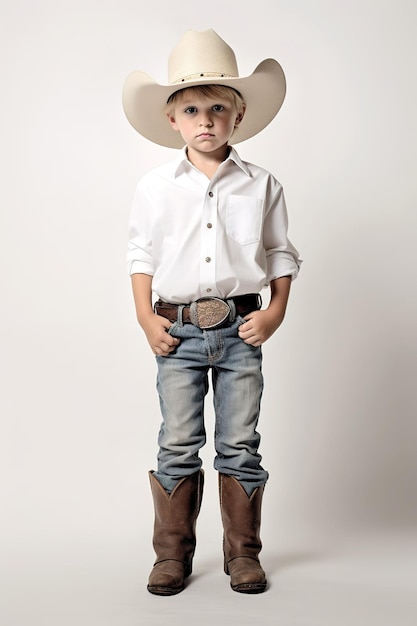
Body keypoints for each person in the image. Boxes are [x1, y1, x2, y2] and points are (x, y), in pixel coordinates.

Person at [123, 29, 301, 596]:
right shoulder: (155, 188)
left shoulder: (261, 184)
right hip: (175, 329)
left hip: (240, 327)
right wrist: (146, 318)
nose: (206, 119)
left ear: (239, 116)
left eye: (218, 108)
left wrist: (274, 313)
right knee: (177, 441)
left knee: (240, 441)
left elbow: (279, 253)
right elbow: (140, 254)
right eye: (193, 109)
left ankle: (242, 554)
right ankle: (171, 555)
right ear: (173, 120)